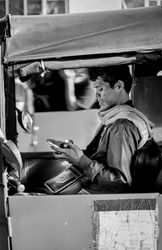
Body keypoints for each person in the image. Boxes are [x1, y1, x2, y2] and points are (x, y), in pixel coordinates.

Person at [47, 65, 154, 193]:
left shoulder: (122, 125)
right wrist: (73, 153)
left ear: (118, 86)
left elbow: (120, 182)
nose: (96, 94)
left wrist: (81, 161)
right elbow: (102, 158)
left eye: (100, 88)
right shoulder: (113, 118)